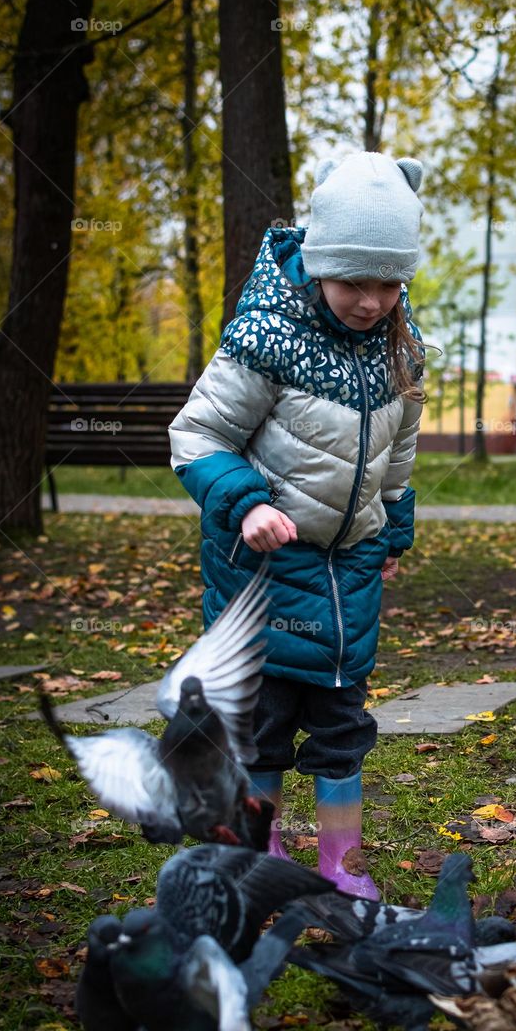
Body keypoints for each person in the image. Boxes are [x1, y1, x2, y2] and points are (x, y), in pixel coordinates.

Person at [168, 151, 426, 899]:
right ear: (318, 266)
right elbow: (198, 436)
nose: (371, 301)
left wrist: (393, 532)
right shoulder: (265, 340)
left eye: (387, 283)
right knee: (264, 728)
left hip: (349, 575)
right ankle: (263, 851)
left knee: (343, 726)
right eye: (353, 281)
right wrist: (246, 502)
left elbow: (399, 454)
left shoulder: (397, 352)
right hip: (263, 574)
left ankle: (339, 862)